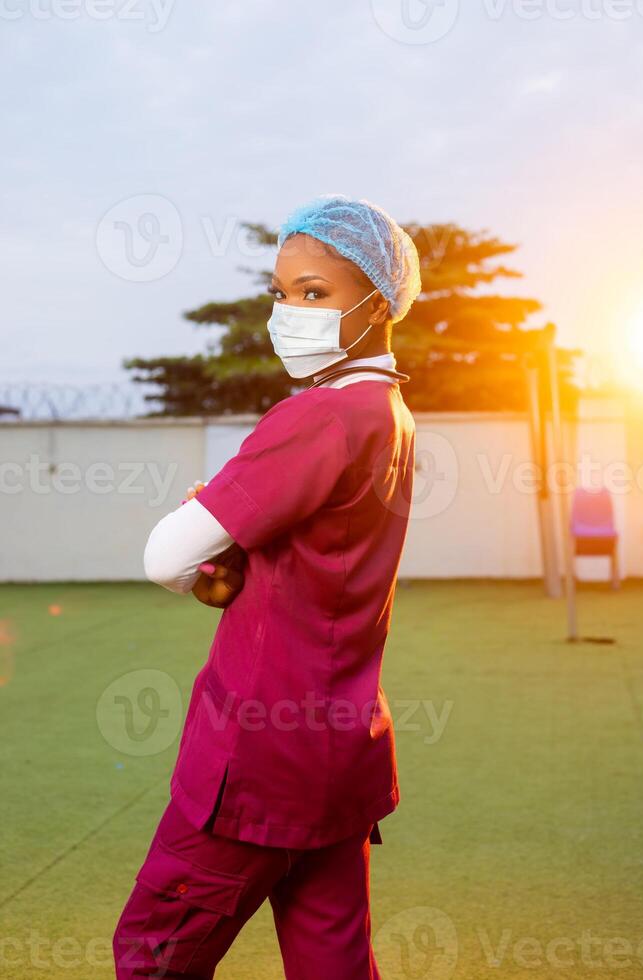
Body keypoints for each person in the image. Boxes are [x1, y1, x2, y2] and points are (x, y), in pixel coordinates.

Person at [112, 194, 422, 979]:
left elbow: (164, 557)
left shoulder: (316, 417)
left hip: (257, 757)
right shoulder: (391, 412)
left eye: (316, 293)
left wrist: (207, 516)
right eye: (282, 294)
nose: (290, 312)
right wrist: (232, 571)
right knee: (333, 963)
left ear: (378, 304)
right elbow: (314, 560)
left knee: (154, 953)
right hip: (340, 756)